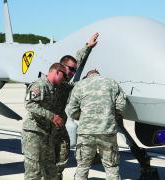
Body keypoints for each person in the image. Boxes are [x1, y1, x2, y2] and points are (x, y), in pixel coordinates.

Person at [52, 32, 99, 179]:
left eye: (74, 70)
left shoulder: (66, 85)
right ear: (60, 68)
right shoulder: (48, 84)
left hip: (59, 127)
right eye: (70, 70)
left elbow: (75, 63)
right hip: (46, 128)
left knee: (62, 156)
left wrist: (88, 47)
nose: (73, 72)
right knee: (44, 161)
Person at [66, 69, 127, 180]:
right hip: (107, 131)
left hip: (86, 133)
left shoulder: (80, 85)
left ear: (87, 76)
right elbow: (121, 105)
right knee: (111, 167)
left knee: (83, 166)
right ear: (98, 75)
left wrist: (83, 118)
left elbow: (72, 110)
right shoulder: (112, 83)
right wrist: (111, 116)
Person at [22, 63, 67, 180]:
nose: (65, 79)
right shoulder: (39, 85)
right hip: (34, 134)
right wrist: (51, 116)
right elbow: (29, 104)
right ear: (57, 72)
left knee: (51, 170)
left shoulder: (54, 88)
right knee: (34, 172)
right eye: (64, 76)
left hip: (47, 135)